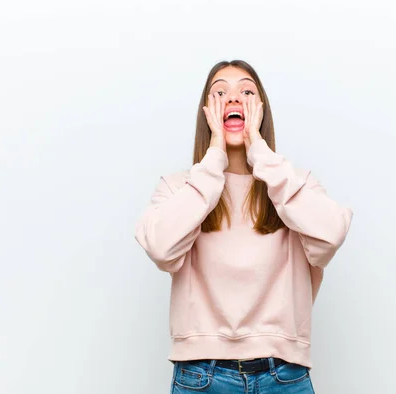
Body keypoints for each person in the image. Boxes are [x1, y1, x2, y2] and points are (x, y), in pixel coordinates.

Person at [135, 59, 354, 393]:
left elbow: (331, 234)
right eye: (220, 92)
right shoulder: (179, 188)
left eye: (247, 92)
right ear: (207, 112)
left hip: (285, 377)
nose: (234, 99)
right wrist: (213, 162)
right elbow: (161, 249)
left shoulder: (292, 185)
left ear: (261, 111)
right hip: (201, 378)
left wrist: (262, 155)